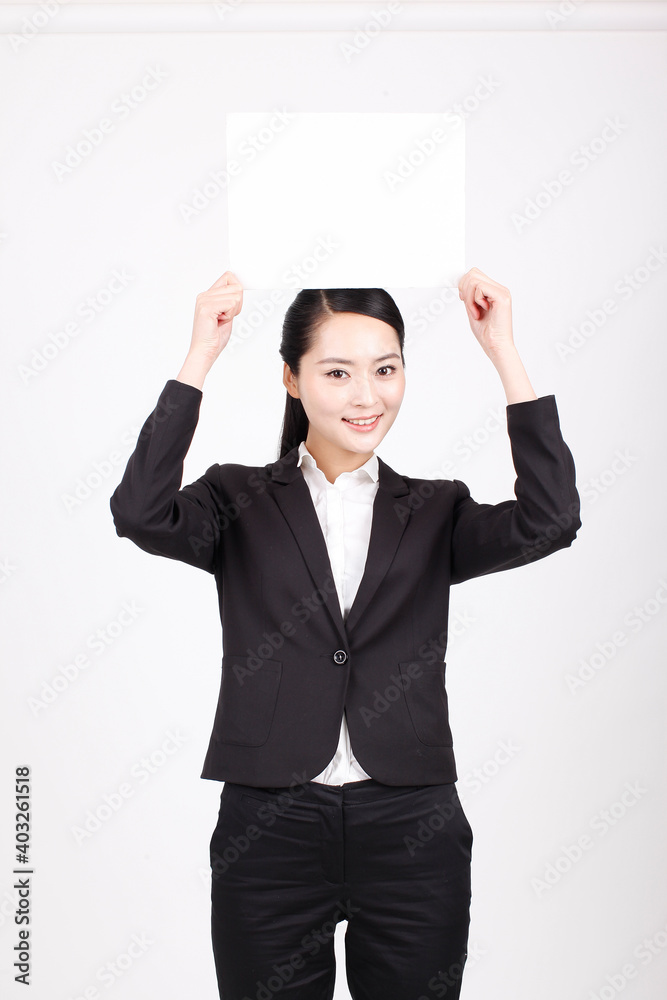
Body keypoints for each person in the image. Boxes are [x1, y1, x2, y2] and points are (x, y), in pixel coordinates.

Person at [110, 267, 581, 999]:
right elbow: (140, 513)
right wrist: (198, 356)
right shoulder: (235, 499)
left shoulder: (434, 511)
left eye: (385, 370)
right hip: (269, 828)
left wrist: (503, 353)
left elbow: (549, 521)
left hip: (410, 830)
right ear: (292, 380)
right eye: (337, 372)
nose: (367, 396)